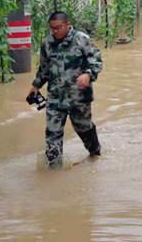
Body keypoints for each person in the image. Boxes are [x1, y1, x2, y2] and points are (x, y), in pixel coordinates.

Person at [29, 11, 103, 168]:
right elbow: (44, 69)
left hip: (79, 97)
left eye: (57, 28)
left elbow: (96, 60)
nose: (54, 31)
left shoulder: (81, 39)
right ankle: (54, 170)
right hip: (55, 97)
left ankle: (95, 152)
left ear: (67, 25)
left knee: (83, 128)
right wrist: (36, 85)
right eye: (52, 28)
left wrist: (88, 75)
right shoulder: (47, 43)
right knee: (52, 133)